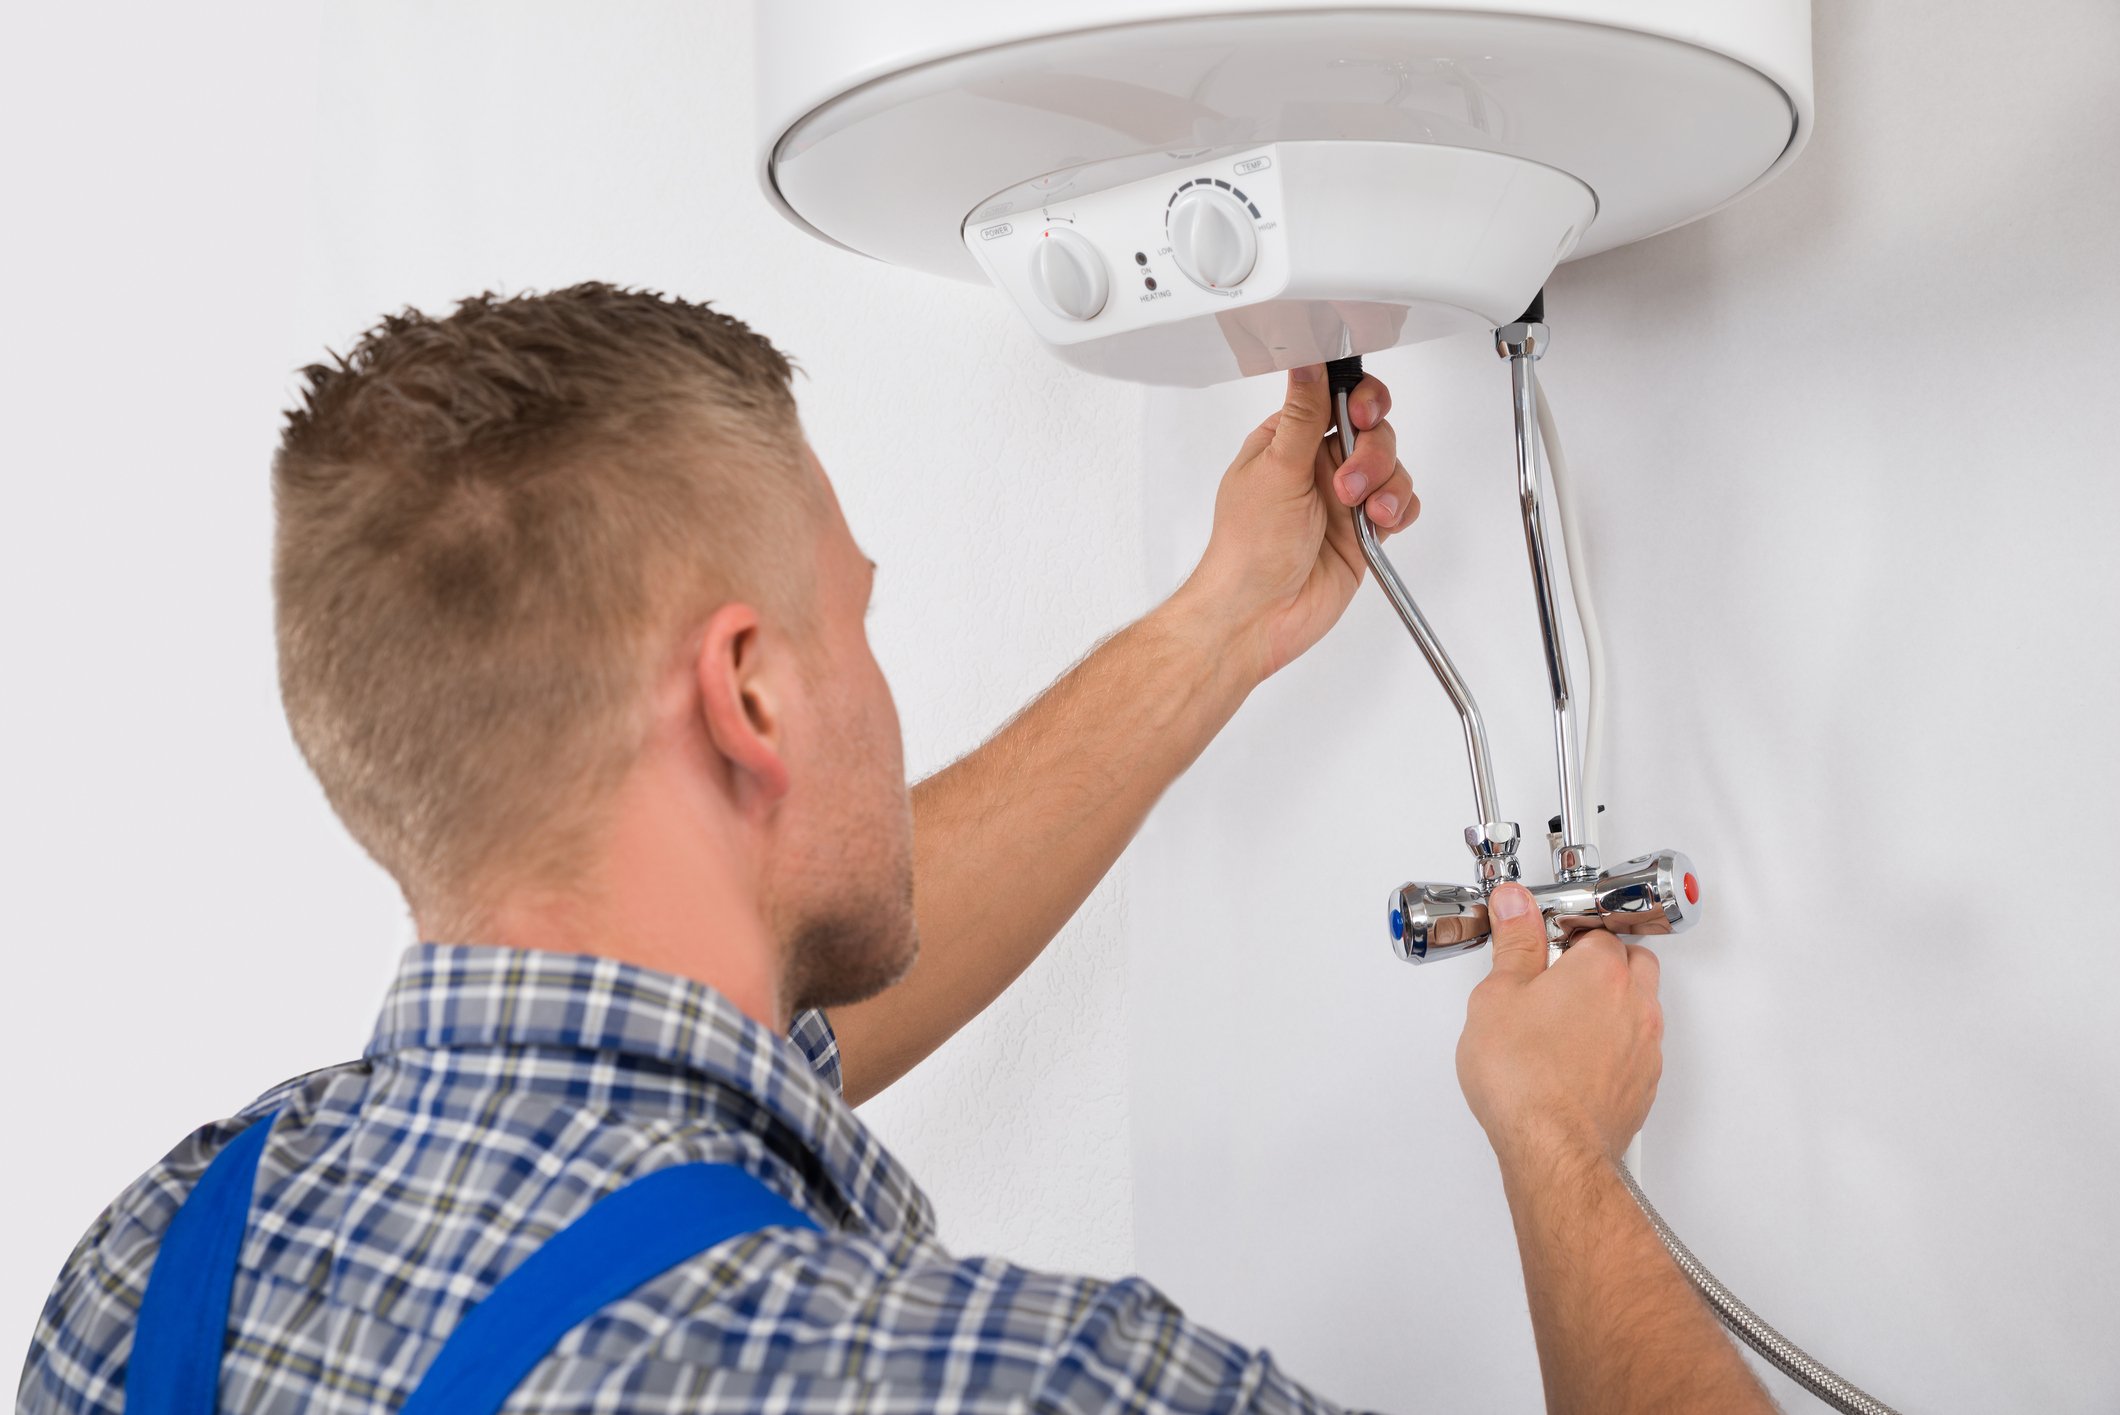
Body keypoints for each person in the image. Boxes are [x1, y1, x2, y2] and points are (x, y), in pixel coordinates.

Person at [17, 285, 1773, 1414]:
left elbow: (711, 1056)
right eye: (851, 619)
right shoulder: (1029, 1386)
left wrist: (1222, 622)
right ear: (752, 697)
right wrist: (1563, 1152)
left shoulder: (158, 1254)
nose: (875, 664)